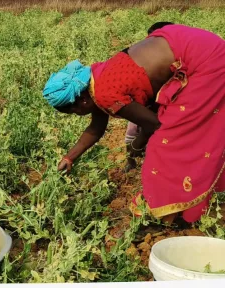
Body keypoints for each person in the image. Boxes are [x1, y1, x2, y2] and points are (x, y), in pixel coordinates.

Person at [42, 23, 225, 224]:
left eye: (74, 111)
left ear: (82, 100)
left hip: (205, 59)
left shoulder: (104, 94)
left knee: (166, 142)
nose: (77, 115)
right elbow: (96, 128)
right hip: (186, 42)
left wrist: (136, 147)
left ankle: (170, 212)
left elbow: (153, 124)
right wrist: (69, 158)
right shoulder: (96, 78)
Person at [124, 22, 173, 172]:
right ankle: (130, 160)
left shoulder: (176, 55)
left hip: (167, 101)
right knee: (133, 129)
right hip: (145, 100)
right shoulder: (142, 54)